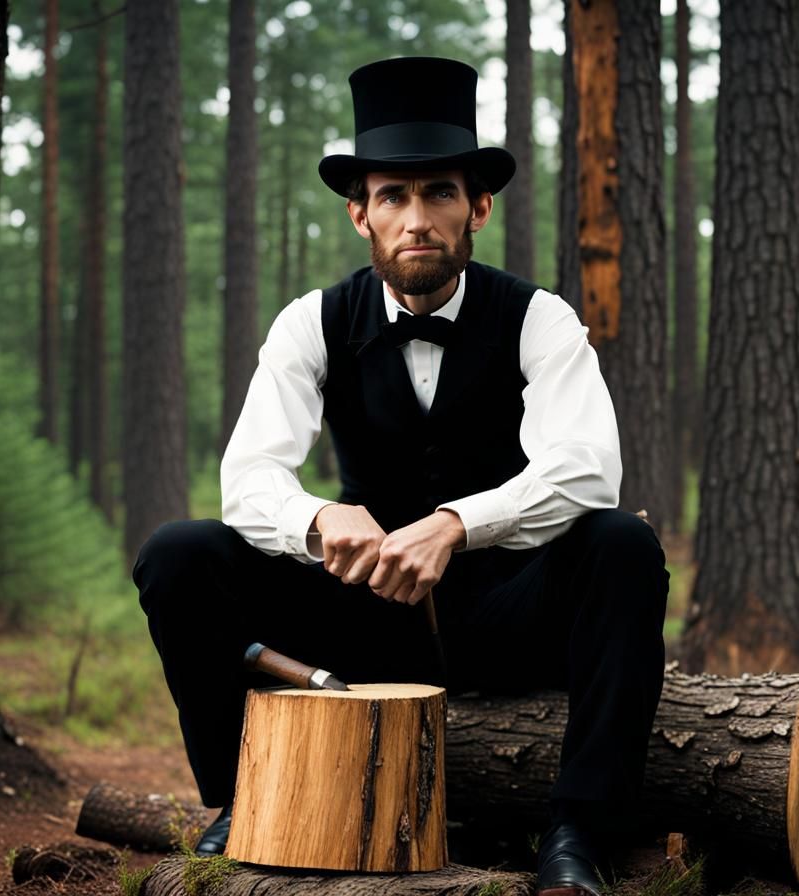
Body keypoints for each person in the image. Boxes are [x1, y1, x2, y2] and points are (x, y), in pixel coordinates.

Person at [134, 56, 669, 896]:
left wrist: (458, 523)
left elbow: (588, 469)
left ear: (478, 208)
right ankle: (243, 796)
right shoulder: (311, 322)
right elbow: (248, 479)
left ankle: (577, 835)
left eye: (439, 195)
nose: (416, 219)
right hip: (359, 619)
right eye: (393, 197)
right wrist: (317, 520)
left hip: (504, 614)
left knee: (623, 543)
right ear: (360, 215)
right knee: (180, 552)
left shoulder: (540, 319)